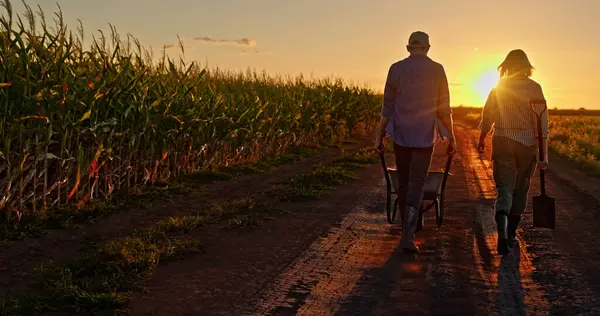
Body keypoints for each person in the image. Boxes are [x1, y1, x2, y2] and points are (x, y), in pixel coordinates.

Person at [374, 31, 456, 254]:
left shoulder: (396, 68)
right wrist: (451, 137)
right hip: (423, 137)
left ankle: (405, 233)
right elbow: (443, 107)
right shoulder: (437, 69)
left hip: (400, 135)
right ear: (428, 48)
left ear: (408, 47)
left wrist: (379, 135)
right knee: (418, 182)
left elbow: (387, 107)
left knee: (404, 182)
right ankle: (408, 236)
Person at [477, 49, 549, 256]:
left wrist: (482, 138)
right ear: (526, 67)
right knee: (521, 188)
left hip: (502, 140)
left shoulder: (499, 87)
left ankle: (501, 231)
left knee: (504, 188)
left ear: (506, 66)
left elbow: (488, 114)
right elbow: (541, 121)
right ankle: (511, 233)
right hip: (527, 144)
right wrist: (543, 154)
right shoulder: (535, 88)